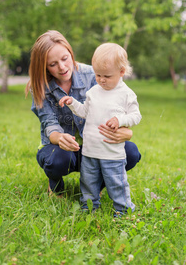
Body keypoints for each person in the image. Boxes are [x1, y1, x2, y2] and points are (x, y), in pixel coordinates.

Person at [25, 30, 141, 200]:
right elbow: (49, 123)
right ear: (44, 66)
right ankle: (55, 187)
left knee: (131, 152)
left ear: (71, 53)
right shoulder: (42, 86)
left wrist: (126, 131)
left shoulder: (94, 75)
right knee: (57, 159)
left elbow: (118, 104)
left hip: (94, 145)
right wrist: (60, 138)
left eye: (65, 59)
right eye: (53, 64)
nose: (62, 67)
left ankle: (96, 185)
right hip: (63, 150)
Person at [59, 42, 142, 215]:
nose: (102, 79)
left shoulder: (126, 94)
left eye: (107, 76)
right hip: (90, 152)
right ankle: (89, 207)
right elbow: (84, 112)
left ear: (121, 72)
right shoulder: (93, 92)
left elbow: (136, 116)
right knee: (88, 182)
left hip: (112, 153)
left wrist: (120, 119)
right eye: (98, 75)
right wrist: (72, 103)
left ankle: (123, 209)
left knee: (116, 183)